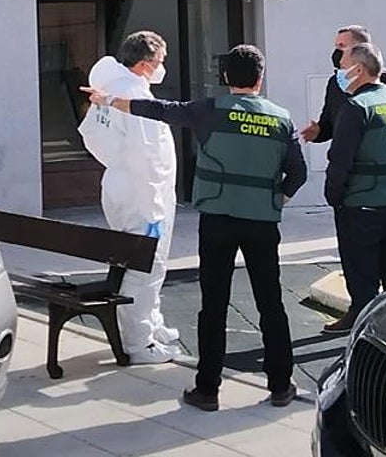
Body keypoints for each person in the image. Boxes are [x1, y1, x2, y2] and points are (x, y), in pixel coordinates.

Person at [83, 44, 307, 411]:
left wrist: (108, 100)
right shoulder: (280, 119)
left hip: (218, 220)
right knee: (271, 303)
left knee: (213, 305)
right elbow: (297, 172)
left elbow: (159, 110)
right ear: (261, 78)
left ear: (224, 78)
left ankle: (207, 389)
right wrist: (277, 198)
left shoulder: (209, 111)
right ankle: (281, 386)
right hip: (262, 223)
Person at [77, 31, 182, 365]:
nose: (162, 68)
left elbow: (90, 134)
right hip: (144, 194)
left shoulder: (108, 90)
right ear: (142, 64)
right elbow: (147, 154)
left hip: (121, 186)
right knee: (146, 268)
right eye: (159, 62)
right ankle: (139, 343)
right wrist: (153, 204)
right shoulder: (132, 94)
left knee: (139, 266)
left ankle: (150, 324)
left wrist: (116, 162)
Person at [322, 42, 386, 335]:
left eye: (343, 68)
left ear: (359, 70)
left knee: (363, 283)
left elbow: (340, 161)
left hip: (363, 207)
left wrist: (335, 197)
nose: (340, 74)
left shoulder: (356, 108)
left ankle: (366, 341)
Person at [300, 25, 386, 144]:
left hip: (379, 156)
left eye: (342, 46)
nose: (337, 52)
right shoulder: (335, 83)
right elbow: (330, 125)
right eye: (336, 46)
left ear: (361, 48)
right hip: (348, 156)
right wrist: (318, 133)